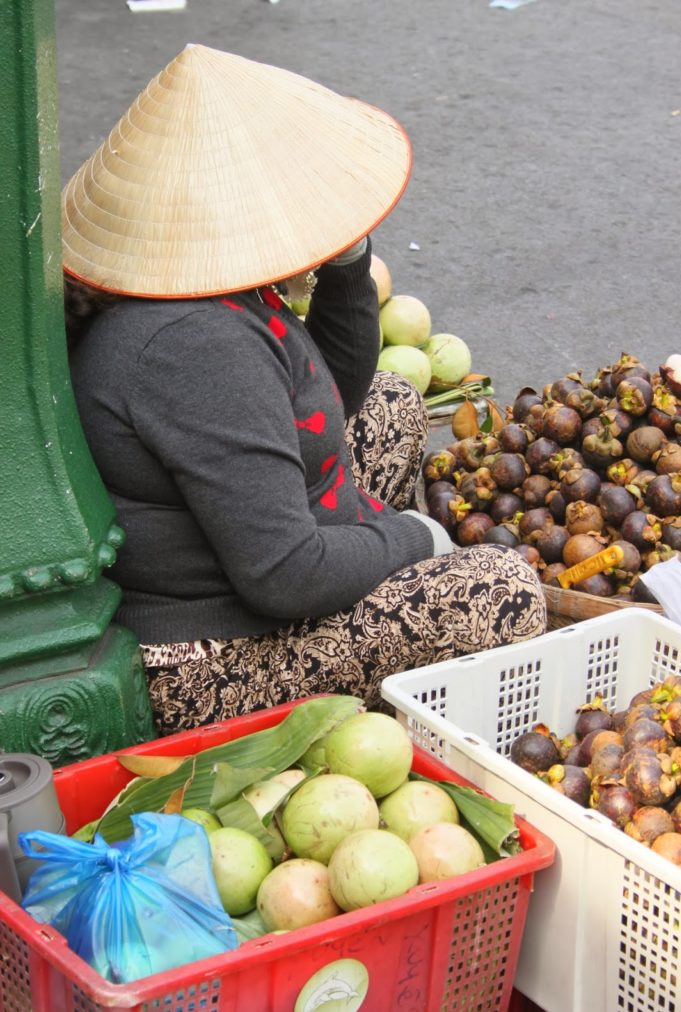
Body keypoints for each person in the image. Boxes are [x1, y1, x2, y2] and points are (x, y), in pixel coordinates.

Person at [64, 44, 546, 735]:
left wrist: (346, 262)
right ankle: (380, 680)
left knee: (391, 403)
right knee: (500, 588)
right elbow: (284, 575)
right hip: (210, 656)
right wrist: (414, 539)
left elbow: (327, 393)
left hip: (247, 552)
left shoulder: (207, 284)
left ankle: (382, 605)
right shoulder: (194, 345)